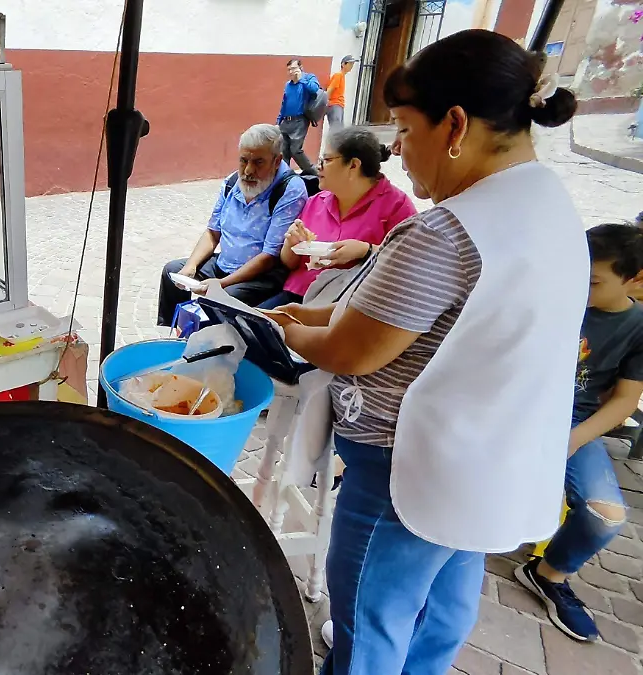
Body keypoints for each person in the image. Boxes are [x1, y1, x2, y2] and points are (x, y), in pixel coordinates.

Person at [268, 30, 583, 673]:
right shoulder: (546, 203)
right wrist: (322, 313)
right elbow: (423, 317)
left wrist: (289, 330)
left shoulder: (444, 230)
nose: (398, 153)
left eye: (406, 132)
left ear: (456, 125)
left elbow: (353, 352)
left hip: (405, 471)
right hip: (484, 463)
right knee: (441, 610)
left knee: (369, 620)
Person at [514, 224, 641, 642]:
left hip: (571, 422)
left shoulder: (636, 327)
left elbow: (624, 401)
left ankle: (548, 573)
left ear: (632, 279)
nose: (579, 282)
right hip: (514, 403)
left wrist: (574, 439)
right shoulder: (553, 293)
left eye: (594, 280)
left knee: (606, 516)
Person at [157, 124, 309, 325]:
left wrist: (221, 284)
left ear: (277, 161)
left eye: (258, 162)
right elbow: (213, 233)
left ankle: (209, 345)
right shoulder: (231, 182)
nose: (248, 170)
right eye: (244, 160)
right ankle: (175, 332)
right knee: (172, 273)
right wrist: (191, 266)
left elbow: (269, 256)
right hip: (225, 264)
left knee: (219, 299)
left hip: (262, 275)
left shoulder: (290, 190)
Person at [258, 127, 417, 309]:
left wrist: (365, 251)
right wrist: (292, 244)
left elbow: (409, 266)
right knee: (242, 325)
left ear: (353, 165)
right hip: (298, 294)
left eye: (326, 160)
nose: (318, 167)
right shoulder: (316, 201)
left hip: (348, 305)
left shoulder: (396, 205)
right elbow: (290, 262)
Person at [277, 58, 321, 176]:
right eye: (289, 70)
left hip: (300, 120)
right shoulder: (288, 85)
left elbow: (315, 89)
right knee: (283, 151)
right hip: (286, 121)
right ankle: (283, 176)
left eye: (293, 69)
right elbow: (284, 103)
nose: (291, 72)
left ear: (300, 68)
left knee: (295, 150)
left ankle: (313, 173)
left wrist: (301, 79)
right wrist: (279, 120)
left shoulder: (309, 78)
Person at [325, 56, 358, 130]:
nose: (351, 66)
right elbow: (330, 89)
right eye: (350, 64)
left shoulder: (341, 76)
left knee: (339, 129)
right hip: (335, 105)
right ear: (343, 64)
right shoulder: (338, 75)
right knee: (336, 129)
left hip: (338, 105)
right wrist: (325, 102)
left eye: (352, 64)